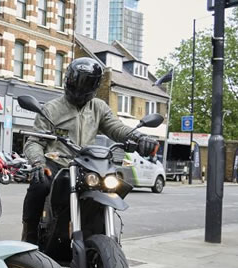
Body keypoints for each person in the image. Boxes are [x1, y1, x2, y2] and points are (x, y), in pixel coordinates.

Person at [21, 57, 159, 244]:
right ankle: (29, 234)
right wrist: (38, 162)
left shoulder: (98, 107)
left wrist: (139, 137)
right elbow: (34, 141)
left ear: (94, 85)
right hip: (58, 164)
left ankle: (104, 239)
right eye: (76, 81)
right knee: (40, 183)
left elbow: (116, 128)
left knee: (115, 185)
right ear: (68, 79)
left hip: (86, 165)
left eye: (86, 83)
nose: (79, 87)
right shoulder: (51, 109)